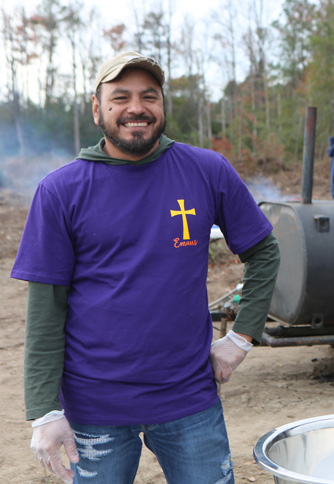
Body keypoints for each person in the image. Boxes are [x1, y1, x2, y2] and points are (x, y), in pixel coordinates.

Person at [13, 52, 280, 483]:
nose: (136, 107)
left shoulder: (206, 170)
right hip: (93, 410)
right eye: (120, 97)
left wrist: (242, 337)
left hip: (189, 399)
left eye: (149, 96)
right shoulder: (61, 191)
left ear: (161, 106)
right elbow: (46, 309)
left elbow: (263, 252)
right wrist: (44, 409)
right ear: (97, 107)